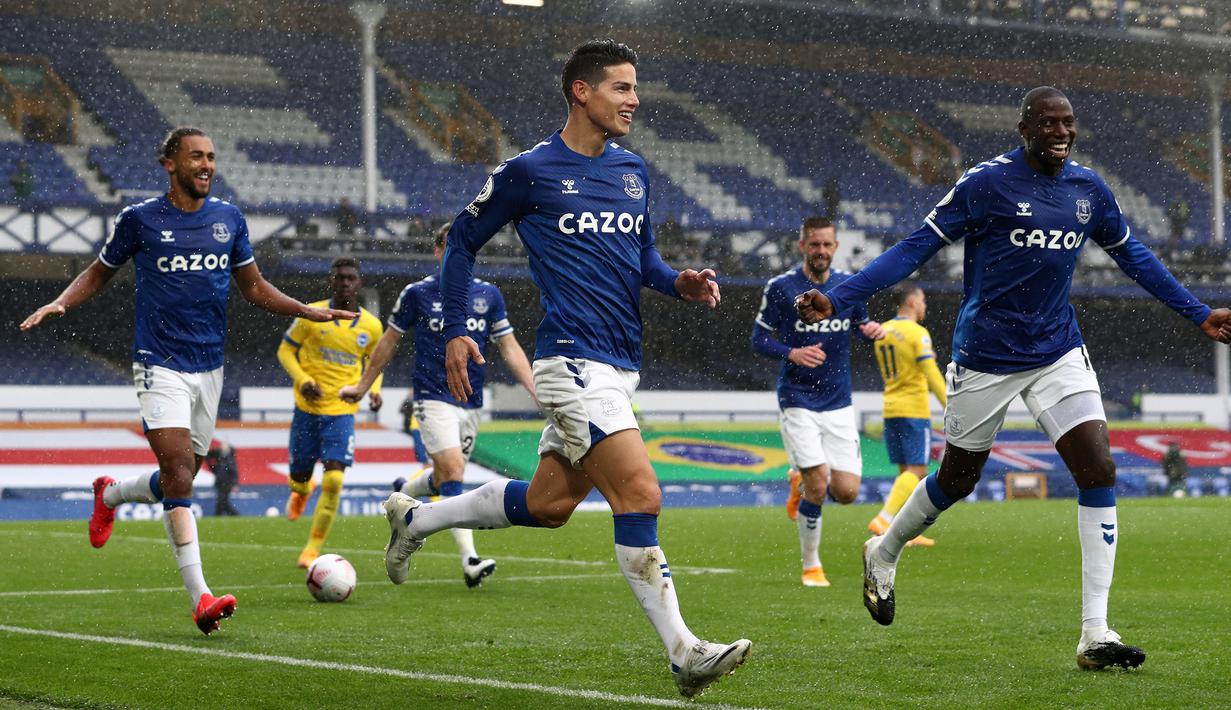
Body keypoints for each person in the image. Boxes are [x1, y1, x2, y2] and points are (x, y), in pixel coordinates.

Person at [795, 87, 1231, 670]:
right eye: (1047, 123)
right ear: (1023, 128)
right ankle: (884, 549)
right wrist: (841, 295)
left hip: (1057, 350)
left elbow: (1136, 258)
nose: (1060, 132)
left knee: (1099, 467)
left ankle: (1095, 633)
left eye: (1068, 123)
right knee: (956, 479)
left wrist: (1197, 312)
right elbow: (916, 247)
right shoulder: (986, 183)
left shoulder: (1088, 189)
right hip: (987, 355)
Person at [372, 40, 750, 698]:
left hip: (618, 364)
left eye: (635, 88)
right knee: (640, 495)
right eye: (621, 88)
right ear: (582, 92)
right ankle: (684, 651)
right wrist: (460, 329)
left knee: (548, 504)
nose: (634, 100)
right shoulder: (529, 172)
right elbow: (461, 241)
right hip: (571, 362)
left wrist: (677, 282)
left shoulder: (632, 171)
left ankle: (418, 519)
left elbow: (644, 262)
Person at [19, 127, 355, 635]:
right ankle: (201, 598)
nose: (206, 165)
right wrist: (63, 300)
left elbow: (256, 288)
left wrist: (307, 310)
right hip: (159, 363)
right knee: (178, 472)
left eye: (212, 157)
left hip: (209, 367)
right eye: (196, 156)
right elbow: (100, 270)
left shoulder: (228, 219)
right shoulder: (140, 220)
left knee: (182, 478)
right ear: (169, 163)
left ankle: (110, 494)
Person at [340, 223, 535, 587]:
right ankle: (470, 561)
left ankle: (405, 493)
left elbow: (509, 347)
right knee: (455, 469)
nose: (460, 254)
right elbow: (388, 341)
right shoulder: (418, 294)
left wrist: (534, 389)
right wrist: (363, 385)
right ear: (437, 251)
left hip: (471, 402)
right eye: (451, 248)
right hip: (431, 396)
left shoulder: (489, 296)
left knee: (446, 476)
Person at [752, 216, 885, 588]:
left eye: (827, 245)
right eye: (815, 245)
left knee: (845, 493)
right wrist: (791, 353)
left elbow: (860, 324)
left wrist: (869, 331)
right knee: (819, 485)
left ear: (836, 247)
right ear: (802, 246)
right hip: (797, 399)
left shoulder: (848, 286)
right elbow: (758, 340)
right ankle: (811, 565)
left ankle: (800, 482)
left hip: (839, 401)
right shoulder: (781, 288)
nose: (821, 251)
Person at [278, 256, 384, 568]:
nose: (345, 283)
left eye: (351, 278)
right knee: (299, 478)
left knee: (335, 480)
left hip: (342, 410)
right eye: (340, 278)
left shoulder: (372, 327)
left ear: (359, 283)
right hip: (307, 409)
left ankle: (311, 549)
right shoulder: (311, 314)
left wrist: (373, 391)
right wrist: (303, 380)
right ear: (331, 281)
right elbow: (285, 350)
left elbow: (374, 365)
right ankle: (301, 490)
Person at [867, 282, 946, 548]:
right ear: (911, 302)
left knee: (905, 472)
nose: (924, 305)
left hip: (890, 407)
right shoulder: (917, 333)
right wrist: (949, 403)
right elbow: (929, 373)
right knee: (918, 470)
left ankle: (906, 531)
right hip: (913, 408)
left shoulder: (883, 330)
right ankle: (884, 518)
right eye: (922, 300)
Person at [205, 439, 240, 516]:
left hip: (227, 483)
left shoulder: (229, 459)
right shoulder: (220, 457)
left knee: (221, 500)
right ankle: (232, 515)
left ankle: (222, 515)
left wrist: (234, 484)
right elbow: (208, 456)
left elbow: (234, 473)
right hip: (220, 483)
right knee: (223, 501)